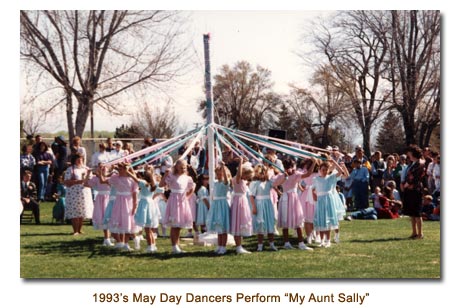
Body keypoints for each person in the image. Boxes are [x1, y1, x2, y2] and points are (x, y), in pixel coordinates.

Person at [159, 159, 195, 254]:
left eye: (185, 167)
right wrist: (165, 175)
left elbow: (192, 188)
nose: (183, 169)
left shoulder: (187, 178)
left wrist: (187, 197)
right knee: (174, 225)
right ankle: (174, 246)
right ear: (177, 167)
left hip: (182, 201)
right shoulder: (172, 176)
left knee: (179, 225)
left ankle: (176, 246)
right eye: (181, 167)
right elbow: (161, 184)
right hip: (174, 200)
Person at [278, 157, 314, 251]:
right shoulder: (283, 175)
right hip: (288, 197)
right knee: (288, 220)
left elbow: (308, 174)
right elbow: (274, 184)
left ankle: (300, 243)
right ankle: (289, 243)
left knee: (298, 219)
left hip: (292, 198)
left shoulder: (295, 174)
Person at [312, 158, 349, 248]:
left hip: (328, 200)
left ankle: (328, 240)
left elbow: (340, 172)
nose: (324, 171)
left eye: (326, 170)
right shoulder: (316, 179)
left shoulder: (331, 178)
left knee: (328, 221)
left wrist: (334, 162)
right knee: (321, 220)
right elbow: (313, 189)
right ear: (319, 170)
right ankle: (322, 240)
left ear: (328, 170)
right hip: (320, 201)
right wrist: (315, 197)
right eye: (322, 170)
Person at [106, 162, 139, 251]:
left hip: (128, 202)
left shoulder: (132, 180)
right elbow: (104, 180)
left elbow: (135, 193)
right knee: (119, 221)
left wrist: (135, 205)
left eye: (121, 169)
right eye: (118, 169)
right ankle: (121, 242)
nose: (119, 171)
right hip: (119, 201)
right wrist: (101, 172)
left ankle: (126, 243)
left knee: (128, 221)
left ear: (126, 170)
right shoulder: (116, 178)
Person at [129, 165, 160, 253]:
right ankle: (153, 245)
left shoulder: (143, 183)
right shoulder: (153, 185)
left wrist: (128, 171)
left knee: (147, 229)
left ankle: (150, 246)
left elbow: (134, 177)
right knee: (149, 228)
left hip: (145, 205)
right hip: (151, 205)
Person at [249, 164, 280, 252]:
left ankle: (272, 244)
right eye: (260, 172)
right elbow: (251, 196)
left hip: (268, 203)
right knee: (261, 224)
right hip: (259, 204)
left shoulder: (268, 182)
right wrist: (254, 207)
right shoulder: (255, 183)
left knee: (270, 222)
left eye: (264, 172)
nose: (262, 174)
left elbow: (278, 182)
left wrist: (285, 176)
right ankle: (260, 245)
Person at [64, 153, 94, 235]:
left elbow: (91, 181)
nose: (80, 161)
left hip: (84, 193)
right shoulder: (70, 169)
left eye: (81, 159)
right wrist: (78, 181)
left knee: (82, 211)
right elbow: (66, 182)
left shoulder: (86, 169)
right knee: (75, 211)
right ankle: (75, 230)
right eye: (78, 159)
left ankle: (80, 229)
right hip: (73, 193)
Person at [206, 163, 232, 255]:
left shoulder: (226, 182)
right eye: (217, 173)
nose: (218, 175)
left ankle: (223, 246)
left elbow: (225, 179)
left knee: (223, 227)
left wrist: (224, 168)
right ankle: (219, 245)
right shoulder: (216, 183)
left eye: (220, 173)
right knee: (218, 227)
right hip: (216, 205)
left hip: (222, 205)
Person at [401, 145, 426, 240]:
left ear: (413, 153)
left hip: (416, 190)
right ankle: (414, 232)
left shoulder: (420, 163)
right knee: (412, 213)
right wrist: (404, 184)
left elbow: (415, 177)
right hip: (409, 190)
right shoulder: (412, 163)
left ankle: (420, 233)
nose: (408, 154)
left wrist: (407, 184)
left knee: (417, 213)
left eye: (409, 152)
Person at [230, 157, 254, 254]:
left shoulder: (243, 181)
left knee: (241, 223)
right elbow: (239, 175)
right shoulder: (237, 179)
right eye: (247, 176)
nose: (248, 178)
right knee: (238, 223)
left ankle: (240, 246)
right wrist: (240, 162)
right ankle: (238, 246)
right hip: (239, 202)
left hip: (242, 202)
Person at [86, 164, 114, 246]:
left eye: (104, 166)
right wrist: (88, 174)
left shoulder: (112, 177)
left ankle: (112, 236)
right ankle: (106, 238)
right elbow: (85, 184)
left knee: (112, 217)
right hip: (101, 199)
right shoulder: (96, 178)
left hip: (110, 198)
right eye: (101, 167)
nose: (103, 168)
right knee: (104, 217)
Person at [299, 158, 319, 244]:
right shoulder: (305, 172)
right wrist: (301, 188)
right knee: (307, 217)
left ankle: (315, 234)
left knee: (315, 216)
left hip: (314, 194)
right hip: (307, 194)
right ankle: (309, 236)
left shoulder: (319, 173)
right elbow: (298, 181)